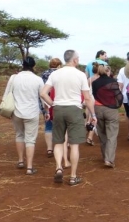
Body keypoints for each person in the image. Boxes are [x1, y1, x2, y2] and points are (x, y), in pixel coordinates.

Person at [40, 50, 96, 186]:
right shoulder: (80, 75)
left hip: (58, 109)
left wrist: (53, 104)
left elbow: (43, 93)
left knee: (58, 142)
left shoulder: (55, 74)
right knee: (74, 145)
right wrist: (93, 114)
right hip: (74, 110)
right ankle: (72, 177)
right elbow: (87, 98)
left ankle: (59, 167)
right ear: (75, 60)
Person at [3, 56, 49, 175]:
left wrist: (7, 111)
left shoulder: (14, 78)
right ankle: (29, 167)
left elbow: (6, 94)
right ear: (33, 66)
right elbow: (43, 97)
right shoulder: (38, 79)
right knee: (30, 140)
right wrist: (46, 111)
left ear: (22, 65)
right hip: (32, 112)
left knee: (19, 135)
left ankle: (20, 161)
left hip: (16, 112)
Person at [92, 65, 122, 167]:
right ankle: (109, 159)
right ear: (108, 71)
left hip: (98, 109)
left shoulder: (94, 83)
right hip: (111, 109)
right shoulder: (112, 81)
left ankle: (105, 156)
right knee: (112, 135)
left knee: (102, 134)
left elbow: (95, 95)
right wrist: (118, 105)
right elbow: (118, 95)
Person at [85, 50, 108, 146]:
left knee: (88, 117)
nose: (106, 57)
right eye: (105, 55)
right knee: (95, 117)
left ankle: (87, 128)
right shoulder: (105, 64)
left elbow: (85, 82)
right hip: (98, 99)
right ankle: (90, 137)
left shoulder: (88, 68)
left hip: (89, 98)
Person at [117, 51, 129, 141]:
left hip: (126, 96)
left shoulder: (122, 70)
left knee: (128, 115)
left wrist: (118, 97)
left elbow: (120, 85)